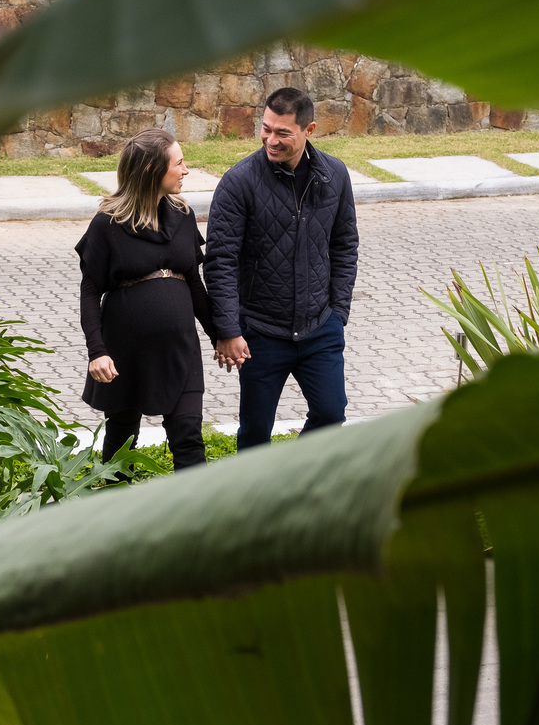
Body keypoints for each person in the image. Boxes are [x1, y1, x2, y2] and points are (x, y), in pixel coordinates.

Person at [204, 87, 358, 450]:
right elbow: (220, 261)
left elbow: (344, 244)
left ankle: (292, 479)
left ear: (309, 130)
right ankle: (254, 502)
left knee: (331, 413)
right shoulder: (238, 182)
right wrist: (228, 328)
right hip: (259, 331)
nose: (270, 140)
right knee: (256, 432)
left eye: (282, 132)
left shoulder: (334, 175)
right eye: (266, 128)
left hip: (320, 327)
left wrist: (338, 312)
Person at [76, 129, 216, 472]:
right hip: (126, 351)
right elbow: (91, 291)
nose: (186, 170)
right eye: (179, 163)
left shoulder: (182, 214)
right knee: (121, 443)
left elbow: (194, 285)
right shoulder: (108, 223)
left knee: (188, 436)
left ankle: (198, 521)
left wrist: (222, 335)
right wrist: (97, 351)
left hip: (179, 348)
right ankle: (116, 513)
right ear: (153, 170)